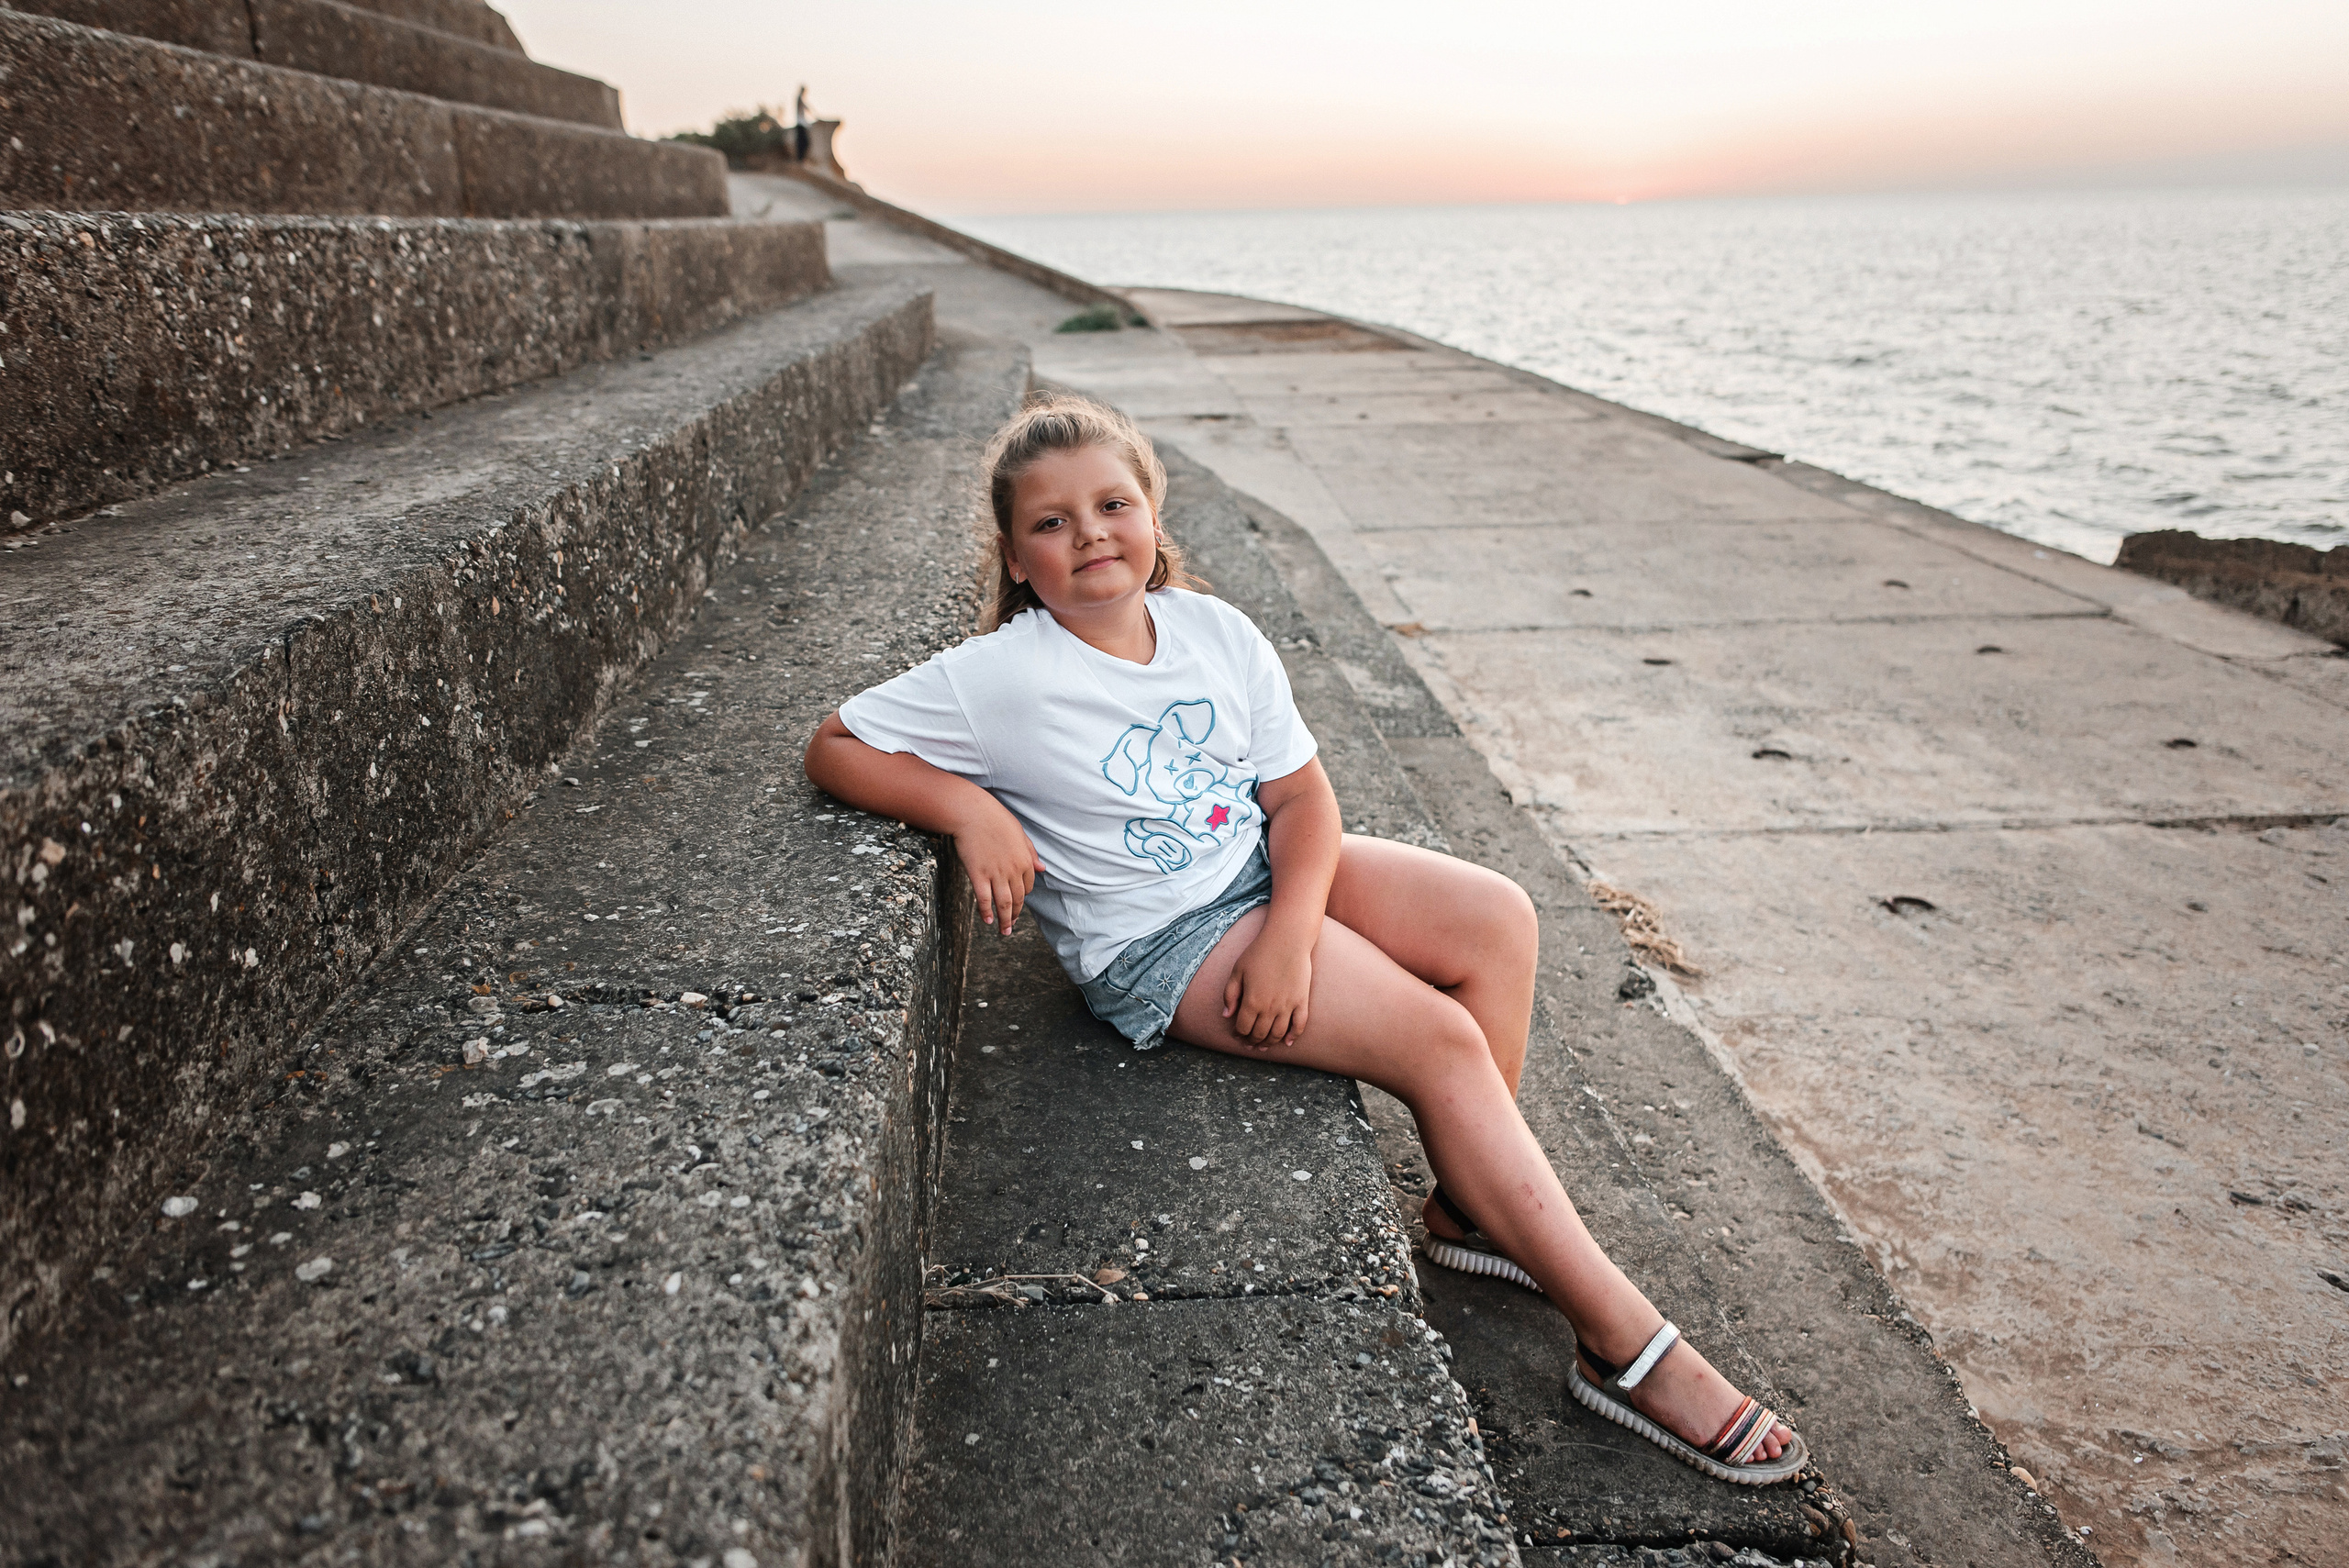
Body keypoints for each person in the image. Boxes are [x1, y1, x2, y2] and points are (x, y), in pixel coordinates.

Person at [802, 395, 1805, 1485]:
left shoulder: (1213, 631)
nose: (1088, 533)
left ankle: (1470, 1211)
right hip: (1162, 941)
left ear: (1151, 511)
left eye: (1111, 503)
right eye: (1051, 523)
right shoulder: (1004, 674)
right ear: (1014, 553)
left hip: (1255, 873)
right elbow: (834, 744)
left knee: (1497, 917)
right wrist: (972, 811)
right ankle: (1625, 1348)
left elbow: (1302, 801)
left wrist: (1291, 928)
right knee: (1436, 1038)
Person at [792, 84, 811, 164]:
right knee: (802, 142)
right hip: (800, 124)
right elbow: (802, 105)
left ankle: (801, 159)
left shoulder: (801, 99)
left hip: (803, 124)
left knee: (804, 142)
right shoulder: (799, 98)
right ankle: (800, 160)